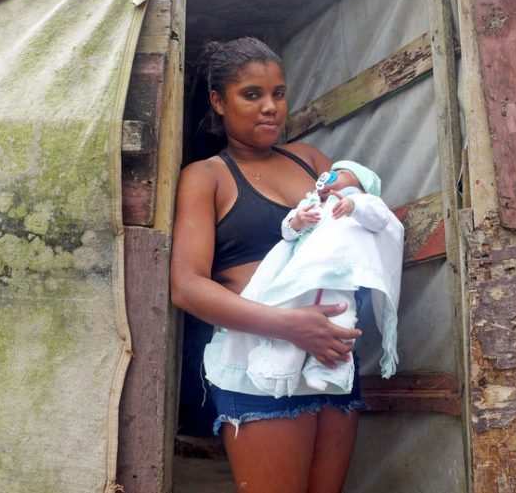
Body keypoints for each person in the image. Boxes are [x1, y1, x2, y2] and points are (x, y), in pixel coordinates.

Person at [170, 37, 363, 493]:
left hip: (331, 361)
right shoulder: (207, 176)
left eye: (278, 93)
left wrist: (357, 198)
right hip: (260, 362)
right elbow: (186, 286)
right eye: (252, 94)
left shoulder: (311, 160)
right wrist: (288, 326)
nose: (270, 107)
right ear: (218, 101)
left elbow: (357, 225)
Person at [208, 161, 402, 398]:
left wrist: (353, 207)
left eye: (340, 173)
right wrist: (298, 220)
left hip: (338, 276)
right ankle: (280, 370)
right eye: (330, 172)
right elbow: (287, 231)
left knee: (340, 317)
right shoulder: (311, 202)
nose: (331, 175)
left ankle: (330, 371)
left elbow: (379, 219)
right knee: (293, 313)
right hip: (304, 273)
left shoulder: (363, 200)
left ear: (361, 182)